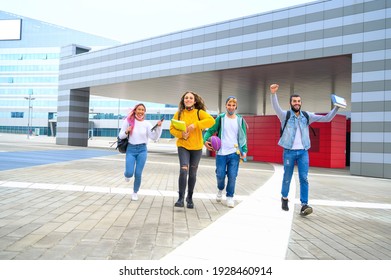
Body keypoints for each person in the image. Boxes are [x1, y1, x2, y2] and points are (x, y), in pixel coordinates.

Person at [269, 84, 339, 216]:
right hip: (289, 152)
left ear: (301, 103)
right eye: (294, 101)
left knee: (304, 178)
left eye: (299, 101)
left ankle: (304, 205)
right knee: (287, 177)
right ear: (291, 103)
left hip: (303, 152)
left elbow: (327, 118)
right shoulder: (285, 115)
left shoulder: (307, 116)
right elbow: (276, 107)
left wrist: (337, 107)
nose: (297, 103)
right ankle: (284, 198)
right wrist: (273, 94)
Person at [170, 91, 215, 209]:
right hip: (183, 145)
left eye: (191, 98)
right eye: (186, 98)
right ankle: (180, 198)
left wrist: (196, 125)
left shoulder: (199, 113)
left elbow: (211, 121)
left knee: (193, 173)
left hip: (196, 147)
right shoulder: (178, 114)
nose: (188, 99)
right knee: (183, 170)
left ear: (194, 101)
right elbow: (171, 128)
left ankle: (189, 198)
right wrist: (181, 134)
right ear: (183, 100)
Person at [203, 96, 248, 208]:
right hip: (221, 153)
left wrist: (244, 150)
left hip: (234, 153)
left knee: (233, 176)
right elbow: (210, 131)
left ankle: (230, 197)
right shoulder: (220, 118)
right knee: (220, 175)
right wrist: (205, 140)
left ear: (236, 106)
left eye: (233, 105)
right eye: (229, 105)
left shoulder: (240, 120)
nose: (231, 107)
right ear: (226, 106)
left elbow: (243, 137)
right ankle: (220, 189)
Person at [118, 103, 163, 201]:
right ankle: (127, 175)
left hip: (142, 150)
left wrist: (159, 128)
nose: (141, 111)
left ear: (144, 112)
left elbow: (154, 137)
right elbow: (121, 136)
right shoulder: (129, 121)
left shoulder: (147, 124)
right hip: (131, 149)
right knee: (129, 173)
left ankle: (135, 192)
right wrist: (127, 131)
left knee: (138, 173)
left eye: (143, 110)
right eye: (139, 109)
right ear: (135, 111)